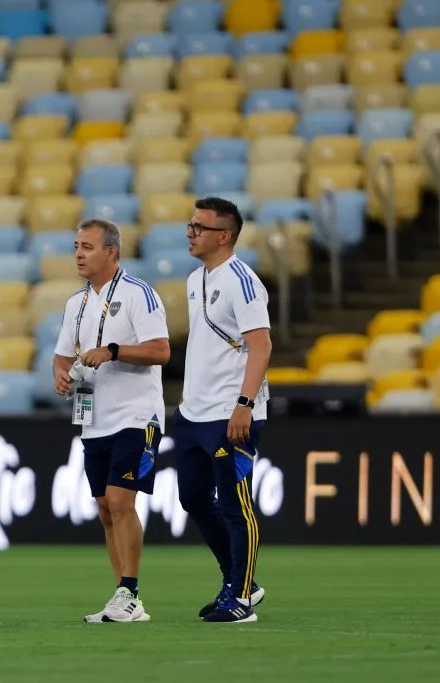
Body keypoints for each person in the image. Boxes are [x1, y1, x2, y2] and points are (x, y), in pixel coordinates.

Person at [52, 218, 171, 623]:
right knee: (105, 508)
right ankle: (122, 595)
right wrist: (61, 374)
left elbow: (160, 351)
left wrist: (113, 350)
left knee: (121, 501)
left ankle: (131, 593)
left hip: (136, 415)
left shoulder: (140, 295)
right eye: (76, 246)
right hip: (94, 418)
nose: (79, 254)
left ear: (112, 252)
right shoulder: (75, 303)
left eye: (87, 246)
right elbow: (63, 354)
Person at [173, 196, 272, 624]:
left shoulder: (242, 282)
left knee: (237, 505)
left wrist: (244, 406)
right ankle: (239, 582)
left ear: (225, 236)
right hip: (193, 412)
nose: (191, 233)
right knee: (193, 498)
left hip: (229, 412)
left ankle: (242, 599)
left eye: (200, 227)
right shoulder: (197, 279)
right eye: (191, 225)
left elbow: (261, 344)